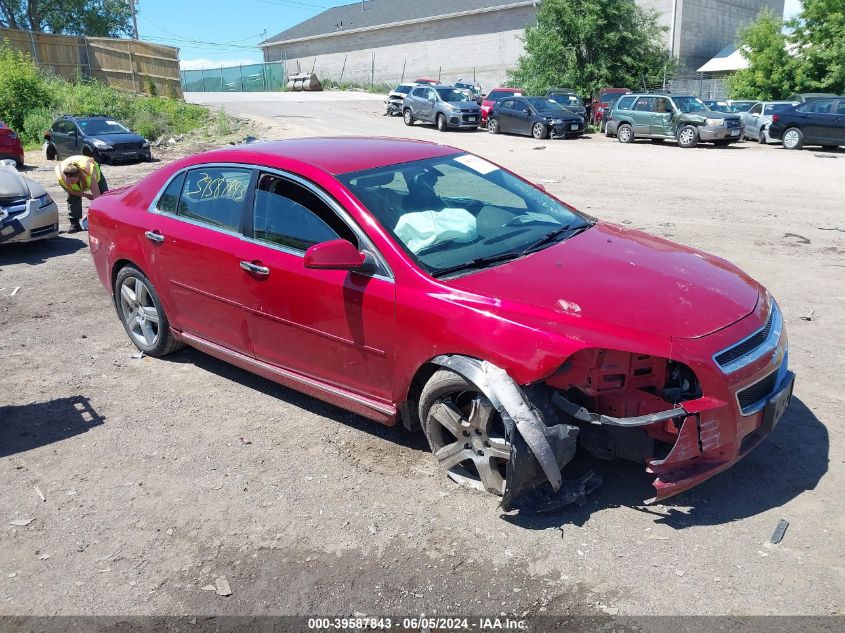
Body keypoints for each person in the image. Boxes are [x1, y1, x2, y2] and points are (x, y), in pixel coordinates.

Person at [55, 155, 108, 233]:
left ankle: (105, 219)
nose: (70, 183)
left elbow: (97, 196)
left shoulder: (89, 175)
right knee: (73, 198)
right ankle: (75, 224)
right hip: (71, 162)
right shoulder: (61, 177)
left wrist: (95, 213)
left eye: (72, 181)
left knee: (104, 196)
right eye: (68, 180)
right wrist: (86, 195)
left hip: (91, 166)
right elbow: (70, 191)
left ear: (78, 176)